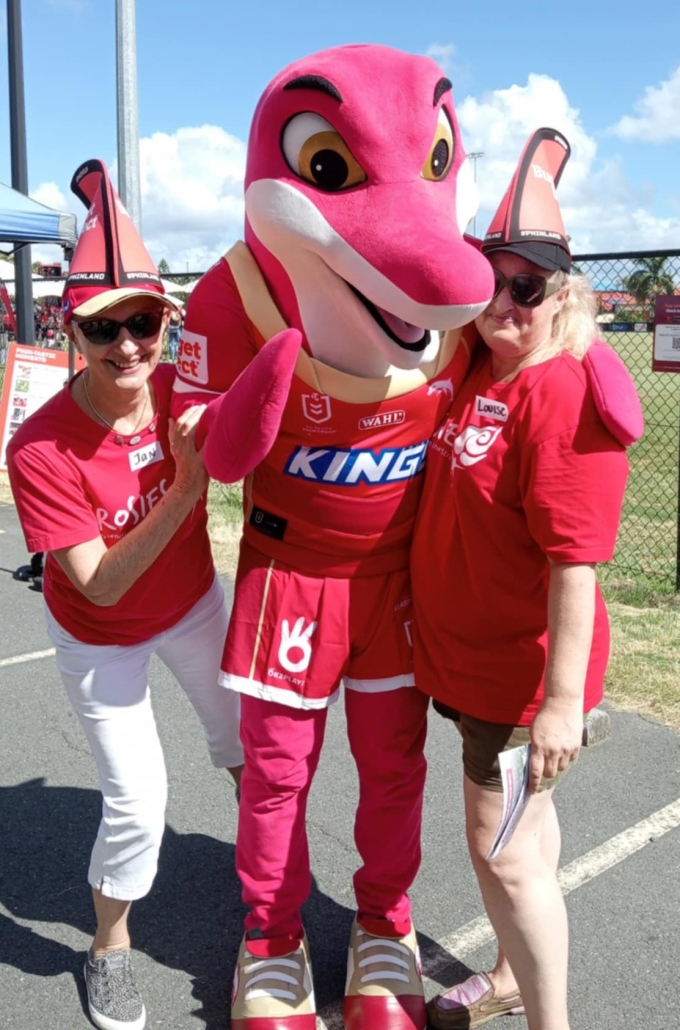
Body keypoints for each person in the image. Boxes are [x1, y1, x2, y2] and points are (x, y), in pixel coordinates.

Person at [6, 158, 302, 1030]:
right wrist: (185, 484)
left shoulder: (183, 388)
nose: (128, 345)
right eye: (104, 328)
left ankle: (274, 903)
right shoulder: (39, 448)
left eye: (143, 322)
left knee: (252, 751)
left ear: (167, 321)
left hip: (193, 604)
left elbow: (281, 363)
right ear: (72, 329)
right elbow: (98, 586)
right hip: (100, 636)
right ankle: (109, 948)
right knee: (138, 800)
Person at [411, 130, 640, 1030]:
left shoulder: (559, 395)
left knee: (499, 851)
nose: (504, 301)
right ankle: (510, 975)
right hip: (473, 663)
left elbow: (574, 566)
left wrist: (559, 704)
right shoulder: (483, 363)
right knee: (526, 834)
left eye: (527, 287)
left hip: (518, 678)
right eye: (491, 281)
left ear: (564, 295)